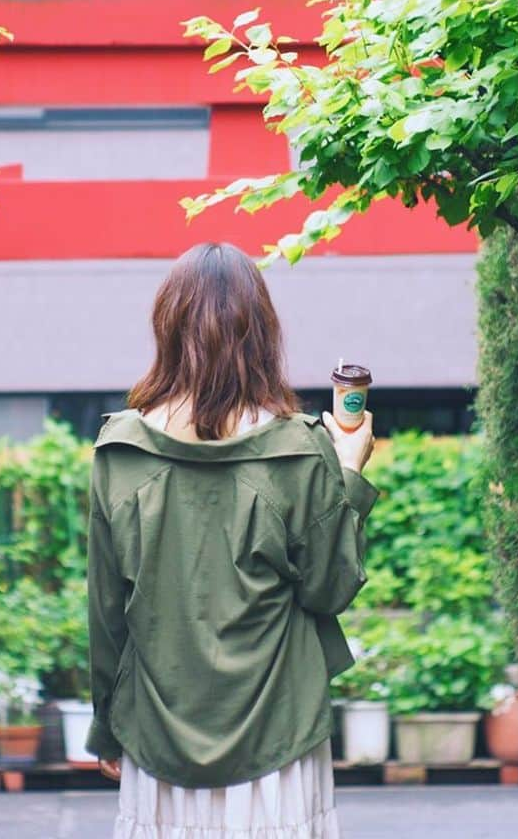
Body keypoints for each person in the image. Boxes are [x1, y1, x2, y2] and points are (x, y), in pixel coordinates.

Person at [85, 241, 378, 838]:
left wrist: (104, 725)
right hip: (278, 738)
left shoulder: (119, 450)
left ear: (167, 327)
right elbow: (327, 590)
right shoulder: (300, 448)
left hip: (156, 732)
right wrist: (349, 473)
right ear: (262, 333)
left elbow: (106, 612)